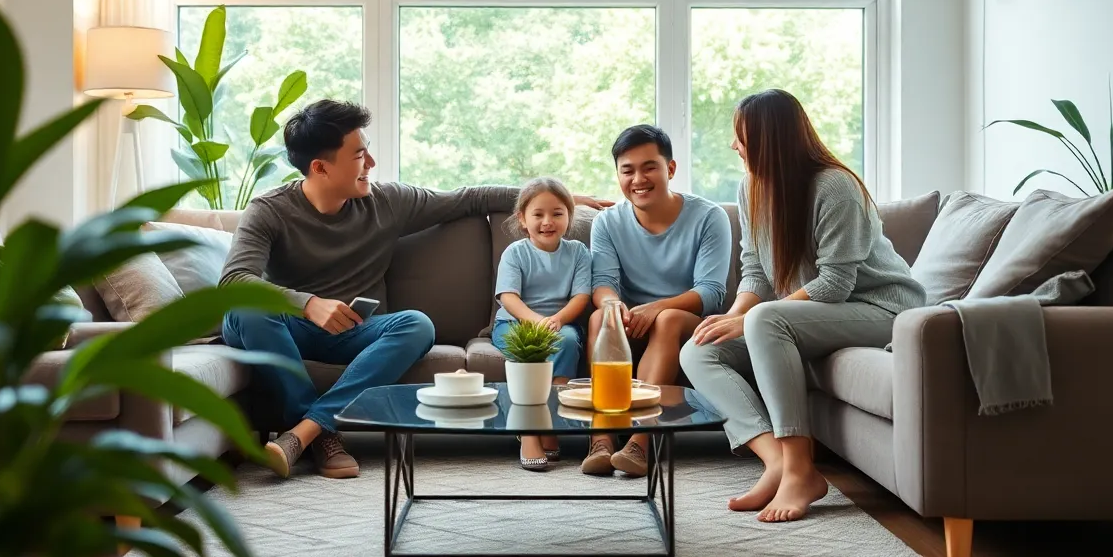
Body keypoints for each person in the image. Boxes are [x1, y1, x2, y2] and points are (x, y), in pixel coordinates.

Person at [220, 99, 610, 480]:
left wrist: (551, 200)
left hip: (356, 330)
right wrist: (307, 304)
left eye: (368, 151)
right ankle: (325, 435)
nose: (371, 164)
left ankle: (305, 432)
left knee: (417, 324)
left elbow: (468, 197)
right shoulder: (268, 210)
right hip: (291, 330)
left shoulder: (386, 201)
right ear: (320, 167)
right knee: (245, 310)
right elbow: (234, 281)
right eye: (359, 156)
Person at [680, 89, 926, 522]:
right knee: (698, 349)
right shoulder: (750, 186)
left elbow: (834, 284)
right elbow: (754, 270)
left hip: (881, 309)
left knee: (766, 320)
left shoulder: (835, 186)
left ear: (769, 140)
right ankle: (776, 460)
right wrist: (735, 317)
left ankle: (799, 468)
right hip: (816, 317)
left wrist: (754, 319)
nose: (734, 146)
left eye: (741, 136)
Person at [583, 125, 732, 478]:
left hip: (686, 324)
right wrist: (610, 305)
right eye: (627, 170)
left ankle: (640, 443)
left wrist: (658, 307)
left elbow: (711, 292)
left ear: (671, 169)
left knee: (667, 319)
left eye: (649, 167)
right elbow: (603, 283)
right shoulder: (606, 222)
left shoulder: (710, 217)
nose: (638, 179)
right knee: (598, 320)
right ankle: (601, 438)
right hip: (633, 325)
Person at [492, 177, 593, 472]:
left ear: (569, 217)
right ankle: (529, 432)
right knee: (529, 351)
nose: (547, 222)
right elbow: (508, 297)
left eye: (557, 213)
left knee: (566, 340)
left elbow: (581, 296)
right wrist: (537, 322)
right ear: (523, 219)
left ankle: (549, 424)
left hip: (558, 324)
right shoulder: (516, 253)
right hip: (517, 322)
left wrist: (557, 320)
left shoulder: (578, 252)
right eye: (538, 214)